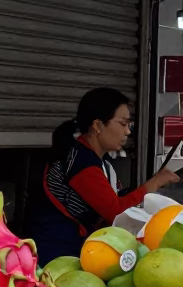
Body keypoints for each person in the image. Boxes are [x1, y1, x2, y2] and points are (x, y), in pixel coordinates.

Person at [29, 87, 179, 266]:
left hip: (73, 251)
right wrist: (152, 184)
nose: (128, 132)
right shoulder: (82, 162)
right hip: (56, 257)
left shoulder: (97, 159)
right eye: (123, 124)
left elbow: (110, 201)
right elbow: (114, 211)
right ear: (98, 125)